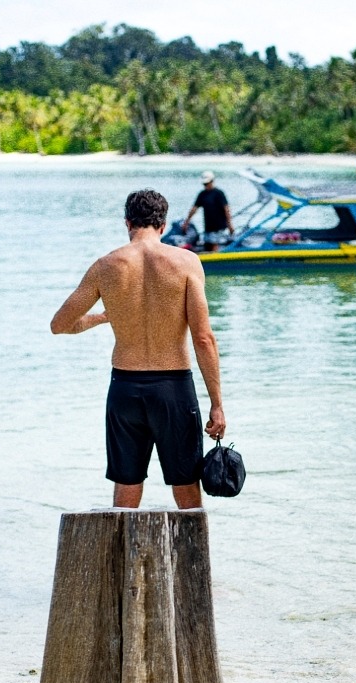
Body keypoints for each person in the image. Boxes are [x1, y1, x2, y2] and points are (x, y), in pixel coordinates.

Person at [50, 189, 226, 509]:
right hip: (174, 388)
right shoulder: (186, 263)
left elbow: (60, 324)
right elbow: (203, 338)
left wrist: (103, 317)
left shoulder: (105, 266)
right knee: (186, 487)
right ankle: (193, 560)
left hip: (125, 389)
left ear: (127, 223)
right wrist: (217, 404)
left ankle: (121, 559)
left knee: (126, 487)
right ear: (162, 226)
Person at [181, 171, 234, 251]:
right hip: (208, 227)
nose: (206, 186)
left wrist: (230, 225)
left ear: (212, 181)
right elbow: (194, 209)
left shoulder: (219, 194)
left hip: (219, 227)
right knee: (207, 247)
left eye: (207, 183)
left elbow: (226, 209)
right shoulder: (202, 194)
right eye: (204, 184)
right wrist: (186, 222)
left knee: (214, 246)